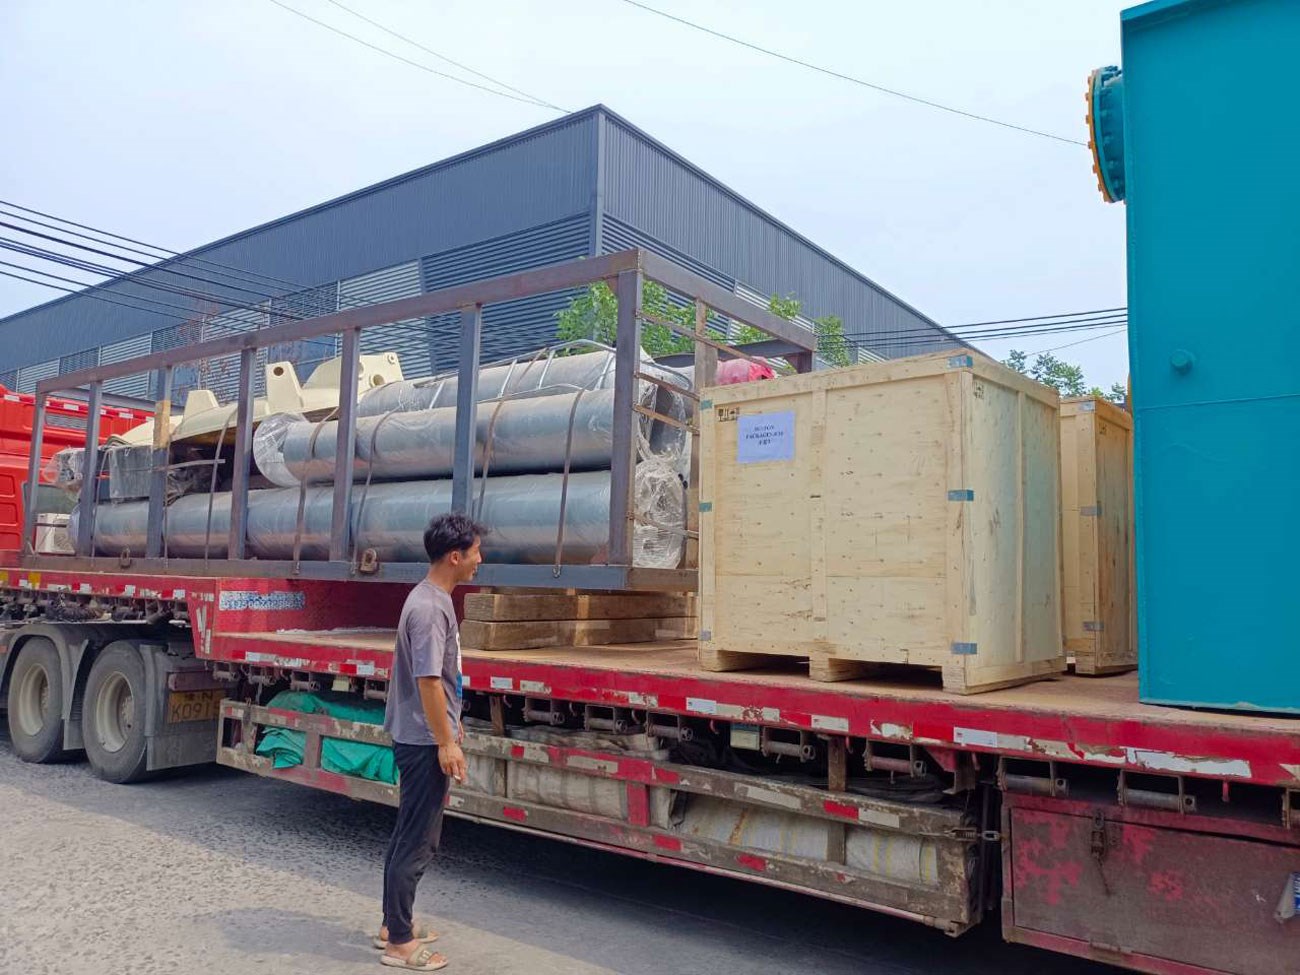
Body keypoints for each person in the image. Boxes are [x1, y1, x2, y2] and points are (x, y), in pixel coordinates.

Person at [375, 512, 484, 971]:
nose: (480, 560)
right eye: (476, 552)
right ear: (455, 557)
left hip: (422, 733)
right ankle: (400, 944)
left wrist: (451, 726)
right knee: (419, 840)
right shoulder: (428, 609)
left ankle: (392, 925)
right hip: (422, 741)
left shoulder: (431, 599)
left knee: (408, 833)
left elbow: (439, 678)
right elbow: (428, 682)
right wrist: (445, 742)